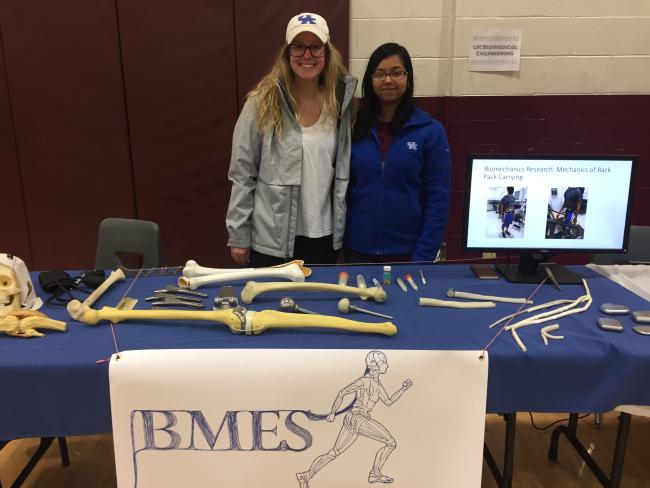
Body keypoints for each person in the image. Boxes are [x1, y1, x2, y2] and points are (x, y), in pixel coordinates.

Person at [225, 13, 357, 268]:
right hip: (273, 240)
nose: (307, 55)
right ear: (287, 53)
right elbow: (242, 172)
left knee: (316, 307)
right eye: (298, 46)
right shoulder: (261, 102)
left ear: (326, 52)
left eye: (315, 46)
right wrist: (238, 232)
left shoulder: (340, 103)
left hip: (324, 237)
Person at [343, 43, 451, 263]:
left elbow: (438, 199)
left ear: (408, 78)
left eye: (397, 73)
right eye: (380, 73)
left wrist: (424, 255)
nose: (388, 80)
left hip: (409, 253)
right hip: (355, 250)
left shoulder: (430, 131)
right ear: (370, 80)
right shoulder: (351, 127)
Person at [296, 351, 412, 487]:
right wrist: (332, 412)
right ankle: (375, 473)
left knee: (334, 452)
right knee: (391, 443)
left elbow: (389, 401)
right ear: (375, 366)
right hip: (359, 419)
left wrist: (403, 389)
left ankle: (306, 475)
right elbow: (342, 392)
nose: (387, 365)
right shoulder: (365, 381)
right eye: (384, 362)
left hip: (352, 420)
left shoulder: (377, 385)